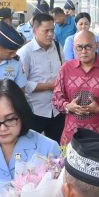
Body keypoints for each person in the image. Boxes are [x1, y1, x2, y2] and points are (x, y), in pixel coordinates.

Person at [52, 30, 99, 145]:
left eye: (88, 47)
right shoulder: (66, 69)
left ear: (97, 46)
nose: (84, 51)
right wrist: (68, 106)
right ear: (74, 47)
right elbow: (56, 99)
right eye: (79, 47)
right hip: (71, 138)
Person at [18, 11, 65, 143]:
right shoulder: (25, 52)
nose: (50, 34)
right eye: (46, 31)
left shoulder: (57, 46)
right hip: (35, 111)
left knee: (56, 147)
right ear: (35, 31)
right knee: (28, 146)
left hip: (57, 109)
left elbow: (64, 70)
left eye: (52, 30)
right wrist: (49, 86)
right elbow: (21, 84)